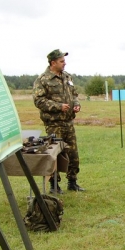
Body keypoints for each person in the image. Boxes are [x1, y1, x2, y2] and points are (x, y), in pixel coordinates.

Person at [33, 49, 84, 193]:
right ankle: (54, 185)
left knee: (73, 154)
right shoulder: (43, 80)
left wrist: (76, 104)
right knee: (54, 155)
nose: (64, 63)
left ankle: (72, 182)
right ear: (53, 62)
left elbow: (74, 94)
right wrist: (58, 107)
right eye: (61, 61)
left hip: (68, 122)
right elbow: (39, 100)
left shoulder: (67, 77)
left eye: (64, 61)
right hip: (53, 124)